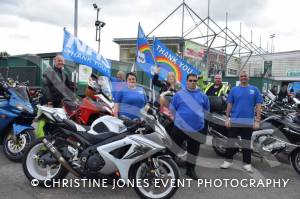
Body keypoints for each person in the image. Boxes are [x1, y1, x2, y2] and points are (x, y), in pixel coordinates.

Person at [220, 71, 263, 173]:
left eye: (245, 76)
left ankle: (247, 164)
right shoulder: (234, 90)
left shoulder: (254, 89)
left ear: (249, 78)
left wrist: (257, 120)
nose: (243, 77)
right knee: (230, 141)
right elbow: (229, 105)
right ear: (239, 78)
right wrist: (227, 118)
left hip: (248, 121)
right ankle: (228, 161)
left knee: (246, 143)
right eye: (242, 76)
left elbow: (258, 106)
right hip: (234, 120)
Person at [169, 73, 210, 180]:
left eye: (194, 81)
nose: (192, 82)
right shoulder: (179, 94)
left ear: (197, 82)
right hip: (180, 128)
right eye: (190, 80)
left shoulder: (203, 96)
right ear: (186, 81)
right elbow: (172, 109)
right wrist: (177, 120)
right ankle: (168, 168)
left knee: (193, 151)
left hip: (196, 128)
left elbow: (206, 111)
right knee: (174, 149)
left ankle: (190, 170)